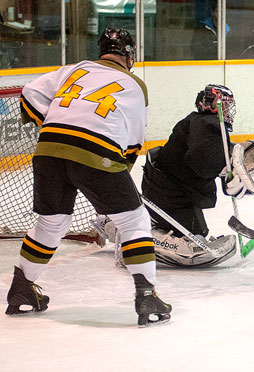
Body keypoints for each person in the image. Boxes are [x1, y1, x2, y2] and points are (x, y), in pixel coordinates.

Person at [6, 28, 171, 327]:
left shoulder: (74, 69)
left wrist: (58, 122)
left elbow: (29, 93)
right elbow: (133, 142)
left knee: (51, 221)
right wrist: (119, 181)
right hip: (97, 152)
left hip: (49, 150)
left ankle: (21, 289)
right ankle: (147, 294)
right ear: (130, 54)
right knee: (133, 220)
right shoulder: (134, 84)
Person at [96, 84, 254, 268]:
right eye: (225, 105)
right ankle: (127, 233)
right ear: (212, 104)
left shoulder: (203, 123)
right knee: (193, 239)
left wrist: (232, 163)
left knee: (199, 230)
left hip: (170, 191)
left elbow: (206, 156)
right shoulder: (206, 123)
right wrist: (226, 165)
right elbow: (202, 160)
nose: (228, 111)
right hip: (169, 195)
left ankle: (140, 221)